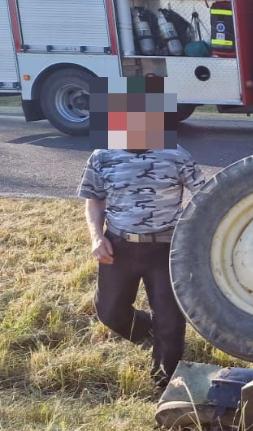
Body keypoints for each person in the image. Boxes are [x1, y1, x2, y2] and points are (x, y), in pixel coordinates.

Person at [78, 76, 205, 391]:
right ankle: (151, 333)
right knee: (109, 312)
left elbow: (207, 196)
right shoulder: (102, 155)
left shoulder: (176, 154)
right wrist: (97, 237)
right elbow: (94, 200)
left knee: (171, 320)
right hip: (118, 246)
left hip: (166, 249)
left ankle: (165, 382)